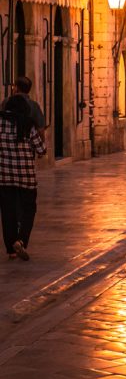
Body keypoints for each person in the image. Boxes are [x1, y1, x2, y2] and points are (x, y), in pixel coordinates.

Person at [0, 90, 46, 260]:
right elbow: (41, 149)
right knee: (28, 210)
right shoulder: (28, 125)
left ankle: (11, 250)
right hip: (26, 177)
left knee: (7, 212)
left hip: (4, 176)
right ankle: (21, 240)